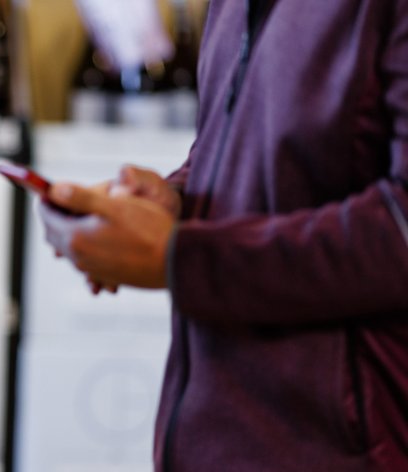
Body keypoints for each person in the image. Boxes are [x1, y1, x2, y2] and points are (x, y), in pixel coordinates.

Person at [39, 0, 408, 471]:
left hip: (342, 445)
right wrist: (173, 198)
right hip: (212, 436)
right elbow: (240, 145)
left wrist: (183, 258)